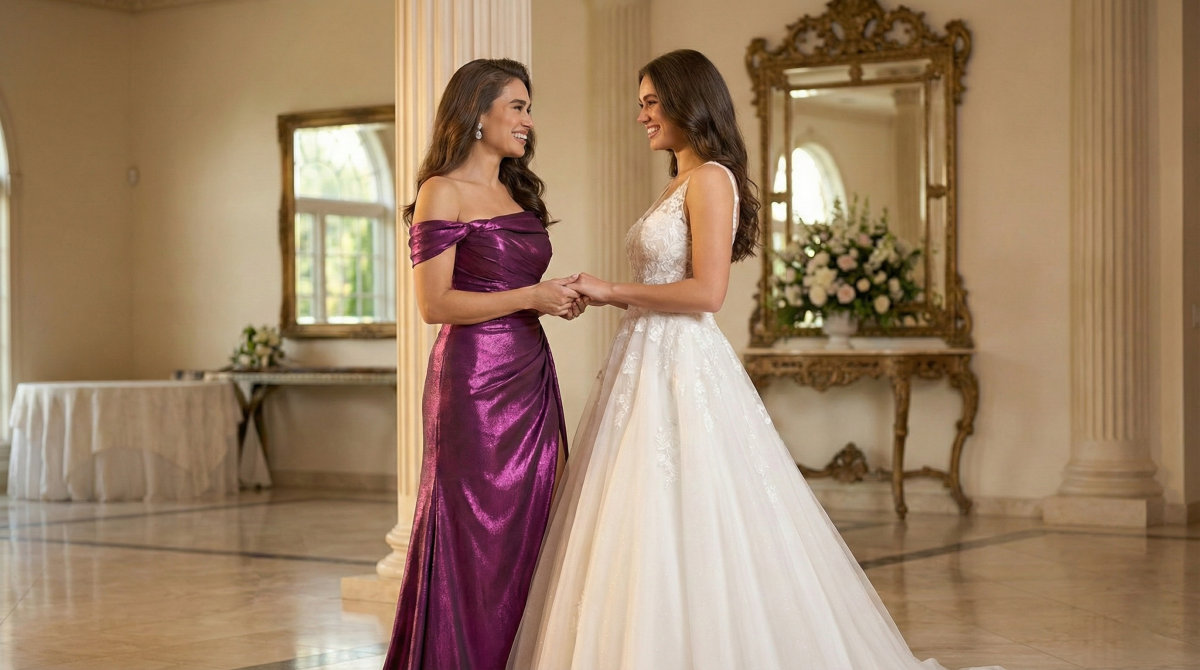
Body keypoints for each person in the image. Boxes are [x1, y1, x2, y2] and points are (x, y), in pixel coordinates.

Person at [508, 49, 1003, 670]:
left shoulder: (711, 178)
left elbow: (707, 294)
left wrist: (609, 290)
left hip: (680, 361)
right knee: (639, 511)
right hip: (644, 359)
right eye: (641, 104)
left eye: (652, 102)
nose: (642, 116)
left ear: (689, 101)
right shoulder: (680, 179)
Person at [382, 57, 584, 670]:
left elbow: (522, 288)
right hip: (471, 383)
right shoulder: (440, 191)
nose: (528, 121)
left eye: (528, 108)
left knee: (536, 519)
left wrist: (554, 297)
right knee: (472, 531)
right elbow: (434, 305)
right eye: (517, 107)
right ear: (477, 113)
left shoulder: (517, 192)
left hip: (529, 372)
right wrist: (531, 297)